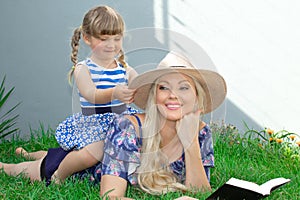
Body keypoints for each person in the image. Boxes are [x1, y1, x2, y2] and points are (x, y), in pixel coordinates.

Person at [1, 52, 227, 199]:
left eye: (184, 88)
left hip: (99, 149)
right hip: (77, 167)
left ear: (196, 96)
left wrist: (190, 143)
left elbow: (200, 192)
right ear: (153, 96)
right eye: (164, 87)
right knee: (17, 169)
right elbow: (111, 195)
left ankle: (32, 152)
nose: (173, 96)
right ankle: (18, 161)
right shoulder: (128, 128)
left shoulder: (200, 131)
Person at [14, 5, 138, 184]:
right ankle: (59, 175)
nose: (111, 45)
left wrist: (143, 87)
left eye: (117, 38)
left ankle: (33, 154)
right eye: (104, 39)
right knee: (93, 153)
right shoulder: (84, 68)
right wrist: (115, 92)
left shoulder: (125, 69)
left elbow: (139, 84)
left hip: (121, 121)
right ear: (87, 38)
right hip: (96, 122)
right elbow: (90, 94)